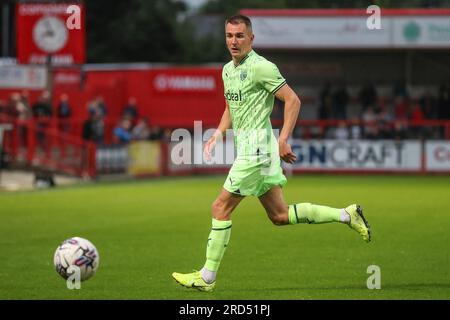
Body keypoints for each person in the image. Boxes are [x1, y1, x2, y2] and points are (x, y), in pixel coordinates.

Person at [172, 15, 371, 292]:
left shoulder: (262, 67)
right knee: (279, 215)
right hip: (251, 149)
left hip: (257, 150)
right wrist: (218, 133)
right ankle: (347, 215)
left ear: (251, 39)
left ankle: (206, 277)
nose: (234, 41)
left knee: (220, 207)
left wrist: (284, 138)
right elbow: (231, 106)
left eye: (240, 35)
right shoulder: (227, 70)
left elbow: (293, 99)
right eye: (229, 35)